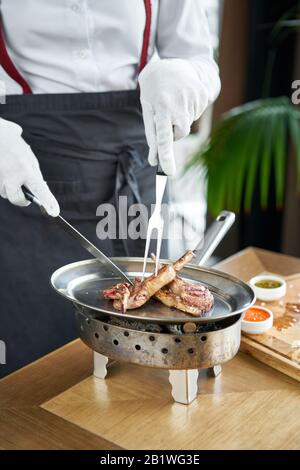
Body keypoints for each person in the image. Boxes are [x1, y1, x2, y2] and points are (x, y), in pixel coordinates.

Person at [0, 0, 220, 376]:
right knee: (35, 367)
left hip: (139, 161)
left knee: (149, 342)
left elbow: (199, 59)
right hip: (25, 168)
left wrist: (185, 75)